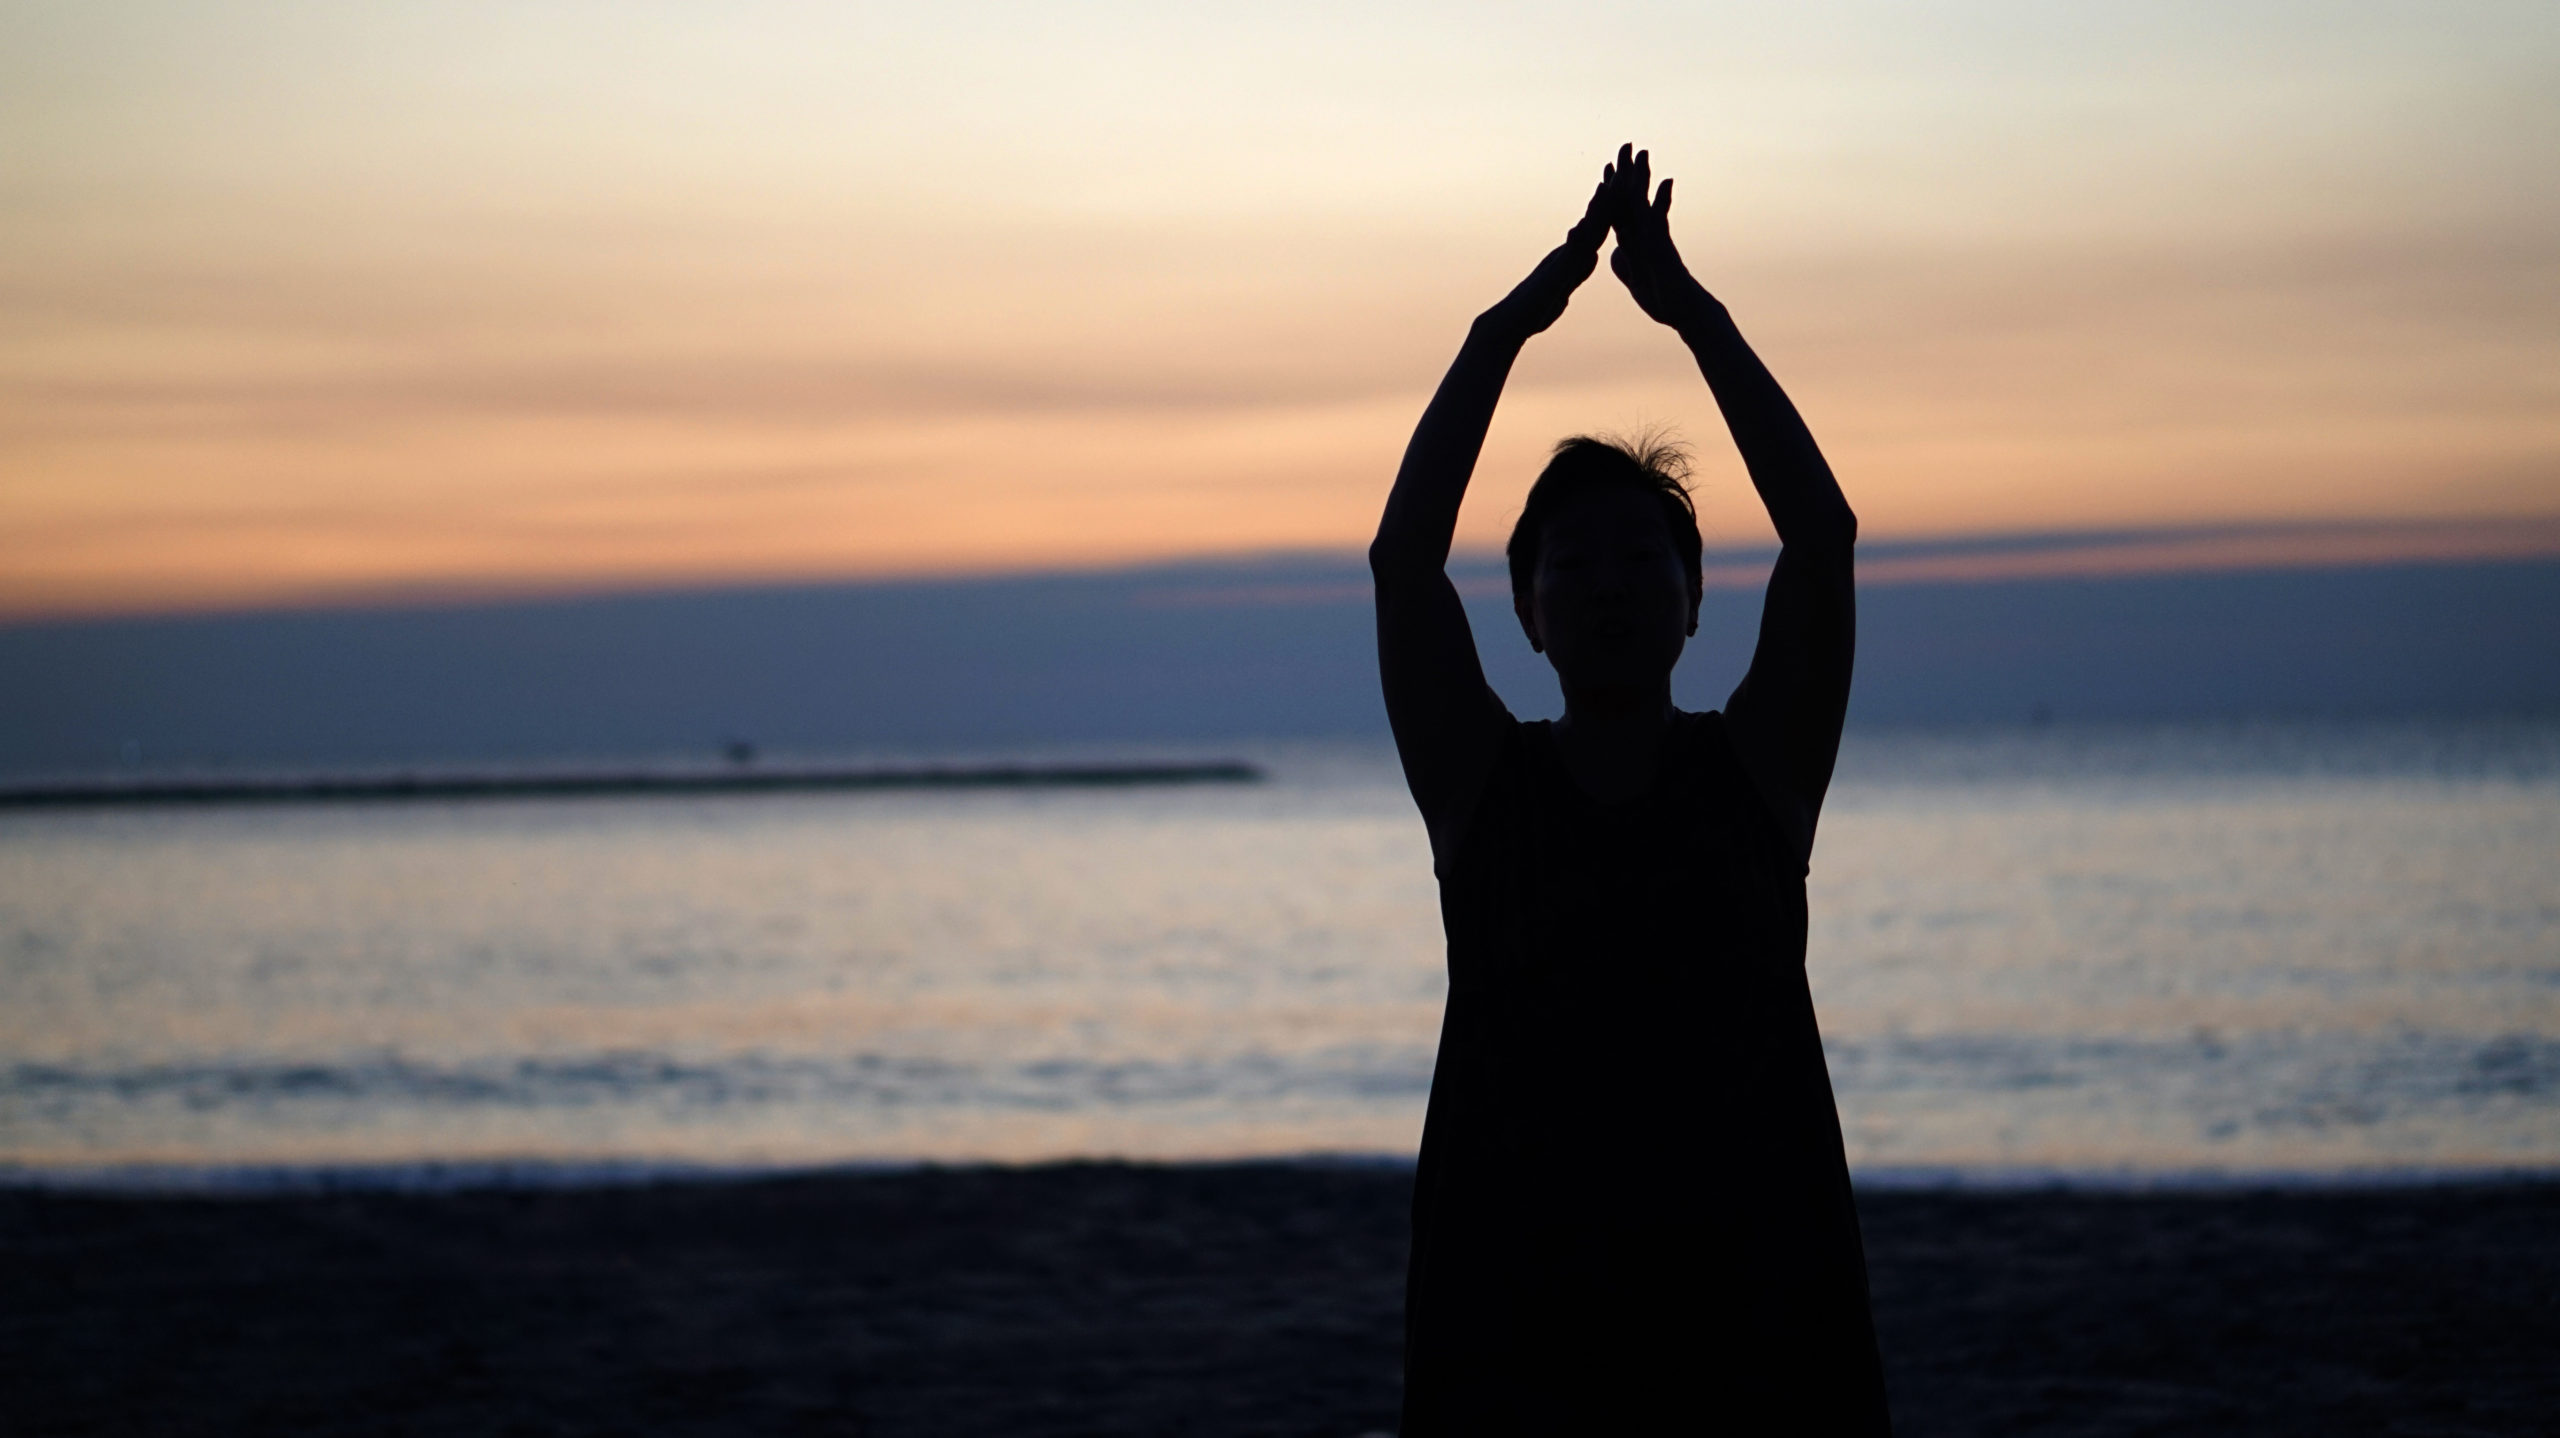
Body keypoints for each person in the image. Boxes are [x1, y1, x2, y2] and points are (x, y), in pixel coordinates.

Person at [1370, 145, 1890, 1433]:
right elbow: (1402, 562)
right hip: (1515, 1304)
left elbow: (1821, 541)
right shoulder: (1483, 789)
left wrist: (1692, 315)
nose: (1608, 585)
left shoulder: (1760, 775)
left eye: (1641, 560)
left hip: (1755, 1298)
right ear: (1528, 616)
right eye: (1573, 565)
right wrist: (1510, 326)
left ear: (1698, 598)